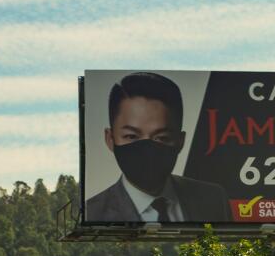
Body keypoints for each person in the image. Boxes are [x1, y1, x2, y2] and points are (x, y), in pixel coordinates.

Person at [86, 72, 231, 223]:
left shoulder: (214, 199)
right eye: (131, 136)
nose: (147, 149)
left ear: (180, 141)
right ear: (110, 139)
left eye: (161, 138)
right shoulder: (92, 214)